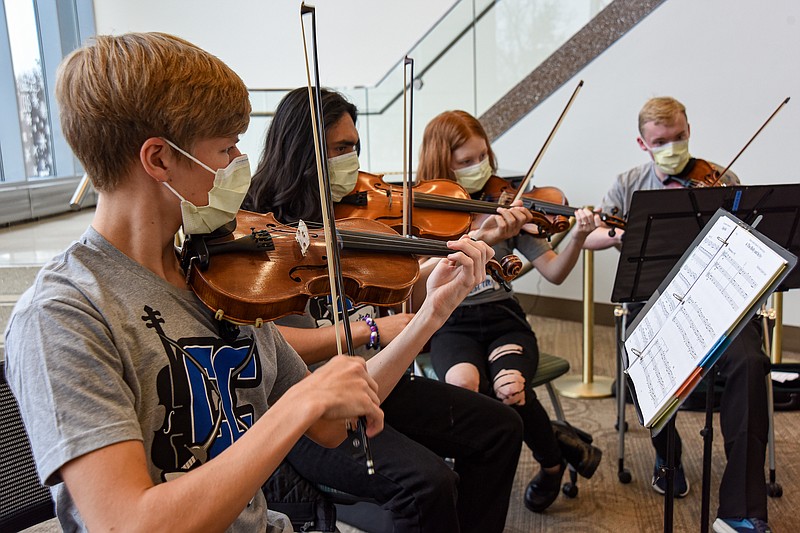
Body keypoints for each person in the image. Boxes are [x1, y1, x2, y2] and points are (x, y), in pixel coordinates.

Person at [3, 33, 495, 533]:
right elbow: (128, 523)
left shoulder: (220, 276)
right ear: (159, 159)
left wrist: (432, 314)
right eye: (227, 147)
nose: (243, 163)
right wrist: (301, 404)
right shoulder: (64, 314)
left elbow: (330, 424)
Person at [243, 87, 525, 533]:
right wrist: (367, 331)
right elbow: (279, 345)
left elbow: (392, 300)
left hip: (379, 378)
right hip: (305, 409)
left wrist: (432, 285)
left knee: (501, 428)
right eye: (340, 149)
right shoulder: (261, 228)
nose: (352, 161)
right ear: (303, 149)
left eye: (355, 148)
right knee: (427, 484)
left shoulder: (353, 216)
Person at [584, 96, 772, 533]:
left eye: (680, 136)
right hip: (652, 299)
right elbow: (594, 235)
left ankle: (741, 509)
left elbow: (746, 241)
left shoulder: (721, 177)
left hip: (717, 299)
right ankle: (668, 456)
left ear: (690, 130)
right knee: (645, 362)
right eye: (661, 141)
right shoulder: (629, 183)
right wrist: (614, 230)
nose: (673, 147)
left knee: (749, 362)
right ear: (643, 143)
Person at [416, 109, 603, 513]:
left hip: (504, 319)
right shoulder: (425, 214)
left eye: (481, 156)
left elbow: (553, 271)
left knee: (510, 387)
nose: (477, 168)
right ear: (440, 165)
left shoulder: (508, 203)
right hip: (452, 324)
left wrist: (579, 236)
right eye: (464, 162)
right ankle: (484, 485)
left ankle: (551, 464)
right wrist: (481, 233)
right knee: (465, 386)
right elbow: (416, 282)